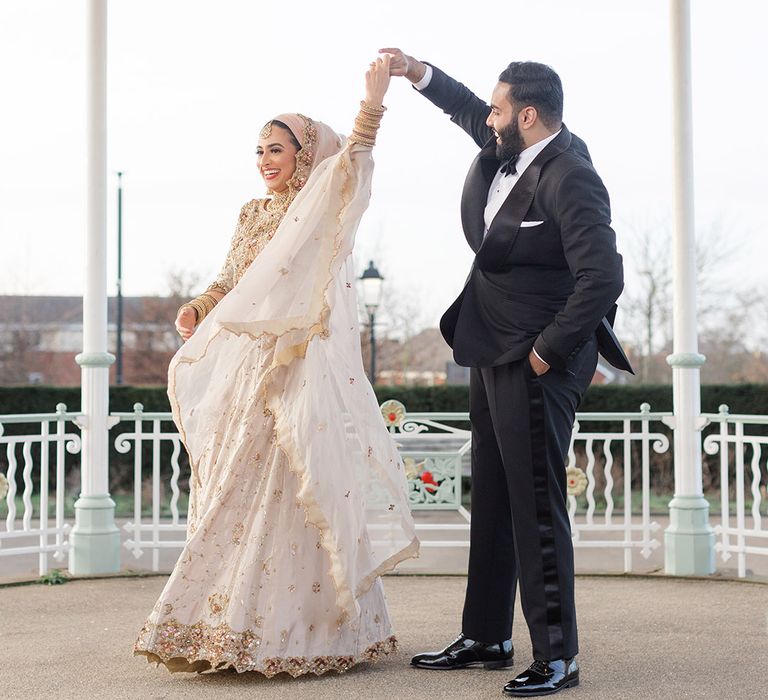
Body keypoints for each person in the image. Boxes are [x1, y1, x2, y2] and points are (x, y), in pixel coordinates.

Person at [133, 55, 419, 677]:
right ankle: (218, 626)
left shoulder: (317, 207)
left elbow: (353, 166)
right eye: (258, 150)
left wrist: (372, 103)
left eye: (277, 149)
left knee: (295, 487)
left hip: (293, 370)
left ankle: (302, 632)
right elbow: (231, 280)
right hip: (244, 373)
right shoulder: (251, 213)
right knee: (233, 486)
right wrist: (198, 306)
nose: (265, 160)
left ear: (303, 154)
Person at [381, 48, 633, 697]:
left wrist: (548, 350)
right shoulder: (506, 145)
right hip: (489, 341)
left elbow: (603, 276)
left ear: (526, 114)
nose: (485, 118)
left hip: (535, 355)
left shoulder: (569, 173)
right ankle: (488, 635)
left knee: (536, 509)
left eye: (497, 109)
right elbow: (466, 106)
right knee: (491, 494)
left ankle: (558, 655)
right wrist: (416, 72)